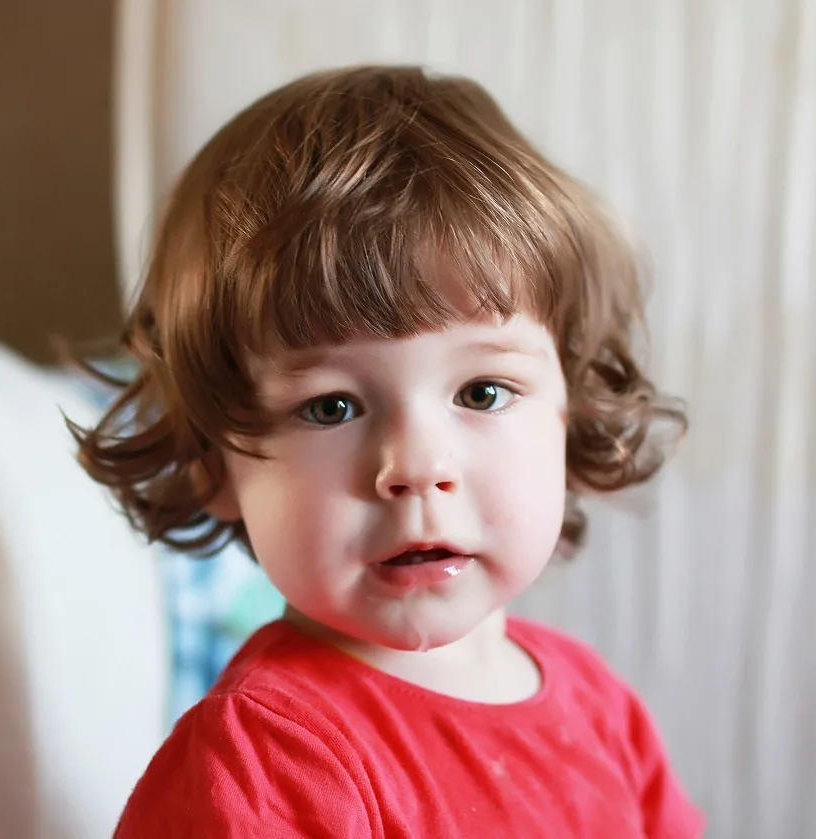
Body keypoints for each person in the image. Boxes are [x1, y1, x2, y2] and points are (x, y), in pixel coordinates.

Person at [72, 64, 704, 838]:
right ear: (213, 463)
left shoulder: (601, 708)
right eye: (331, 406)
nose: (414, 467)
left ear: (567, 417)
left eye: (482, 392)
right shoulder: (266, 763)